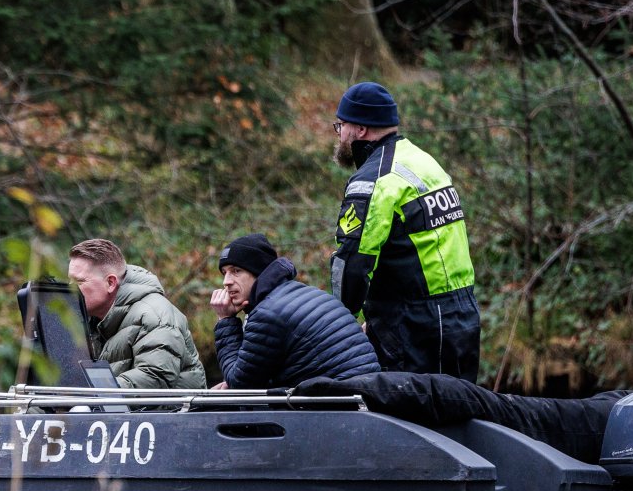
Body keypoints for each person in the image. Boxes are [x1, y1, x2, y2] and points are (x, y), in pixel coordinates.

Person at [330, 81, 481, 381]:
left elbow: (352, 264)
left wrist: (336, 329)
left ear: (359, 130)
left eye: (341, 126)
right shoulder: (423, 161)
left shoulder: (373, 181)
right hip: (463, 315)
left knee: (412, 423)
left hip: (415, 326)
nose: (339, 135)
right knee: (458, 417)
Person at [210, 233, 380, 390]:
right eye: (225, 273)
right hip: (363, 395)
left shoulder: (268, 313)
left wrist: (226, 320)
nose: (226, 281)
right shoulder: (301, 294)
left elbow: (241, 385)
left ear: (258, 271)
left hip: (340, 405)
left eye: (236, 271)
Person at [67, 238, 207, 390]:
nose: (69, 289)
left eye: (78, 282)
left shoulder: (154, 315)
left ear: (110, 283)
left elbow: (155, 376)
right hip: (120, 411)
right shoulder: (90, 319)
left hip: (174, 412)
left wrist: (88, 392)